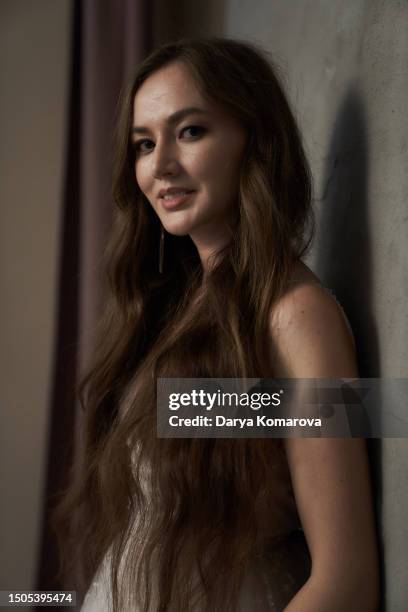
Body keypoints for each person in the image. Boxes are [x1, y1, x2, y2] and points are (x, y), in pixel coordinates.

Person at [53, 37, 380, 611]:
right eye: (144, 144)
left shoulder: (296, 317)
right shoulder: (170, 311)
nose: (160, 166)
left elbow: (347, 580)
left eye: (190, 131)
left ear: (254, 139)